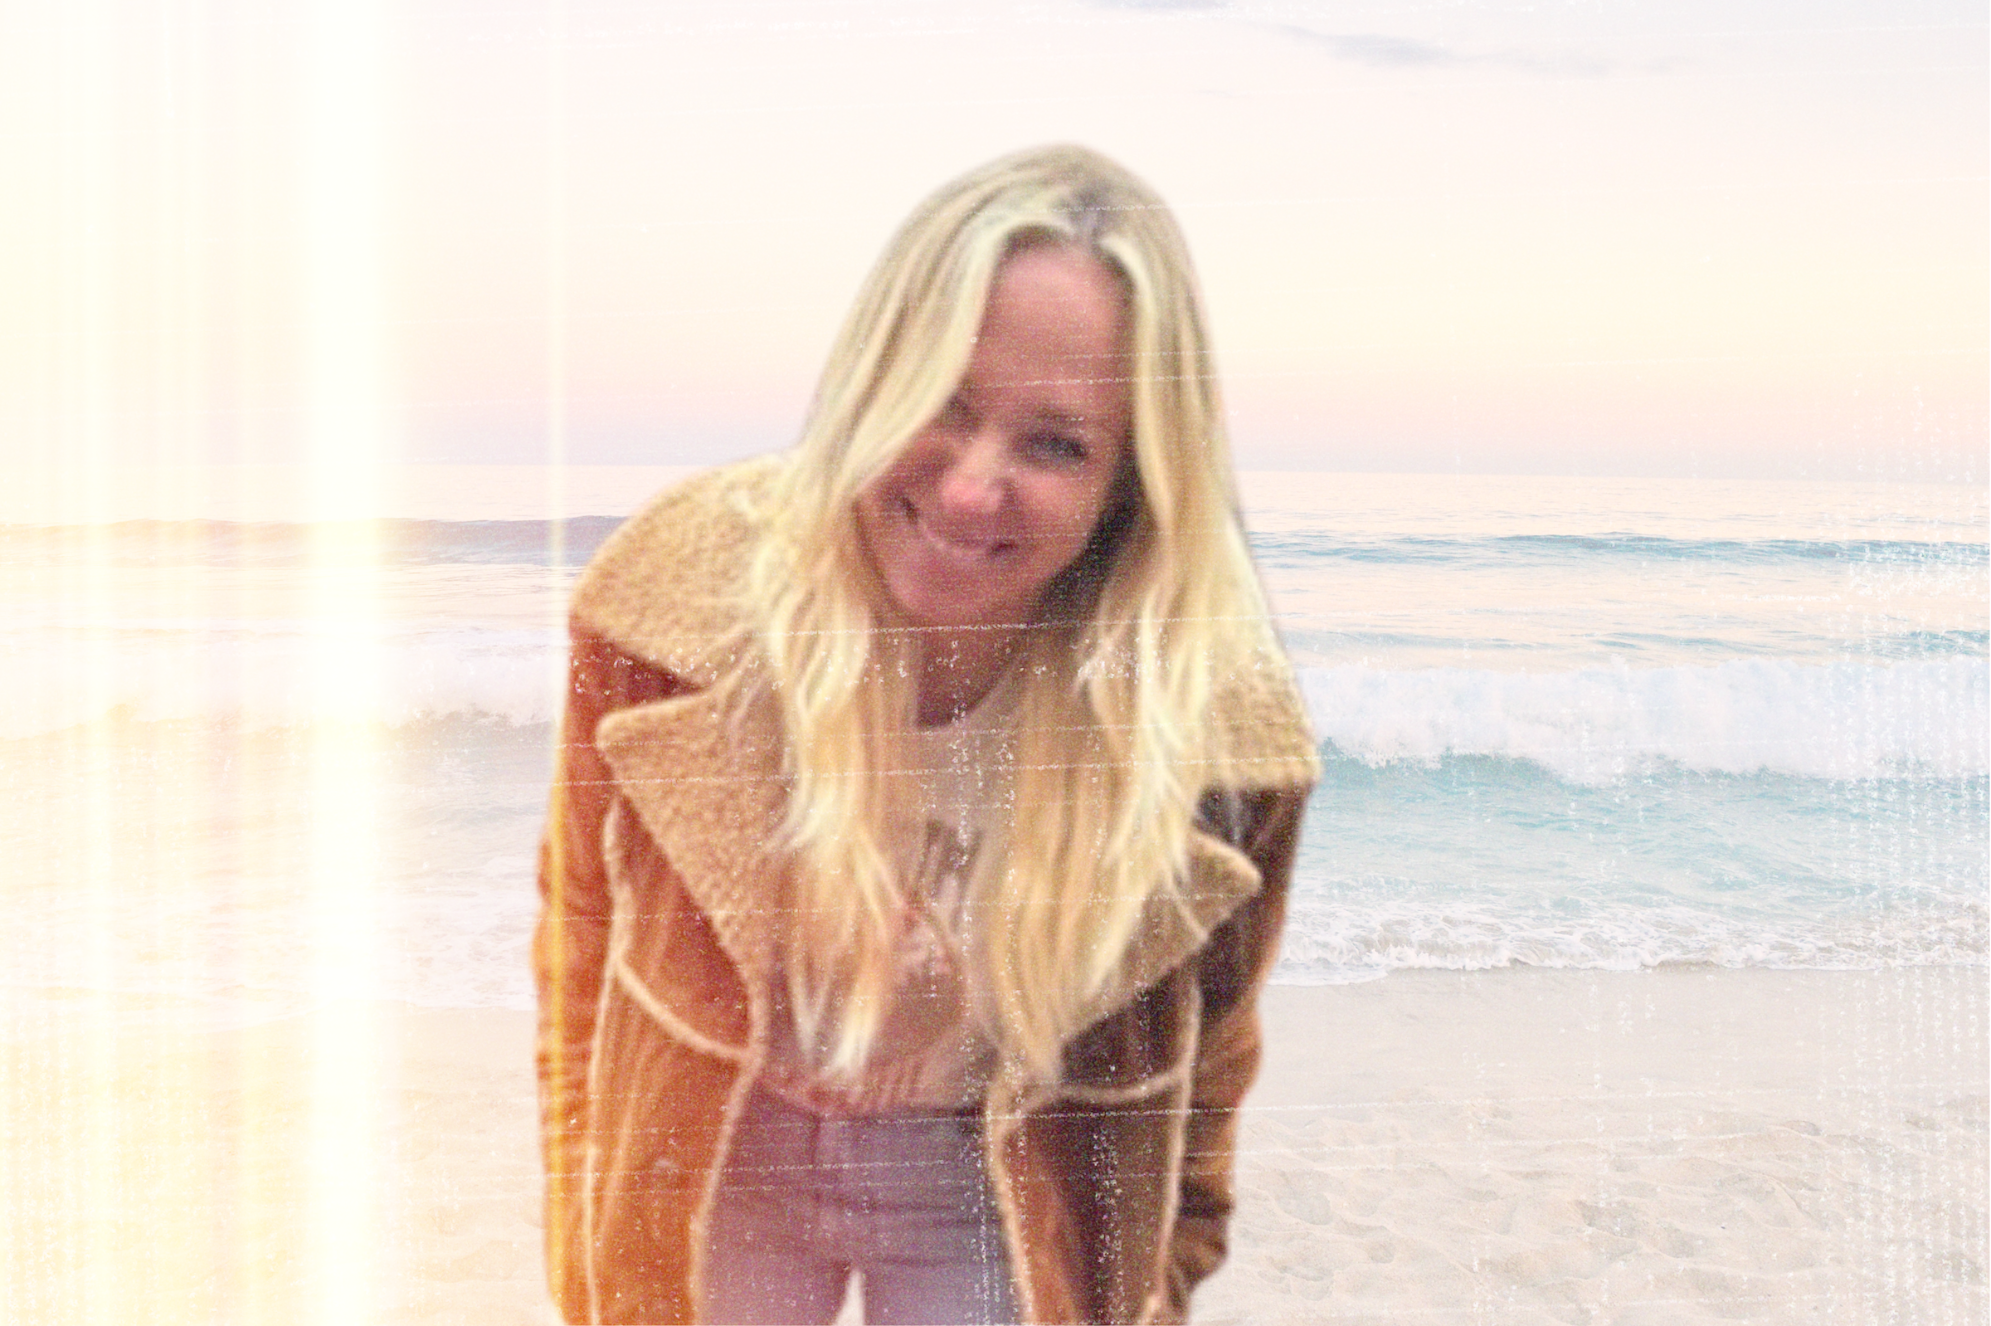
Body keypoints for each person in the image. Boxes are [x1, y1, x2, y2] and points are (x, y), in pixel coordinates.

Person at [534, 144, 1318, 1326]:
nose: (967, 491)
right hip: (717, 1153)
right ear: (871, 384)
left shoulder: (1214, 731)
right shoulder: (671, 609)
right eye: (940, 405)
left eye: (1054, 444)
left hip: (988, 1172)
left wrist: (1158, 1285)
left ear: (1130, 484)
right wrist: (584, 1233)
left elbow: (1210, 1062)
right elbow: (579, 940)